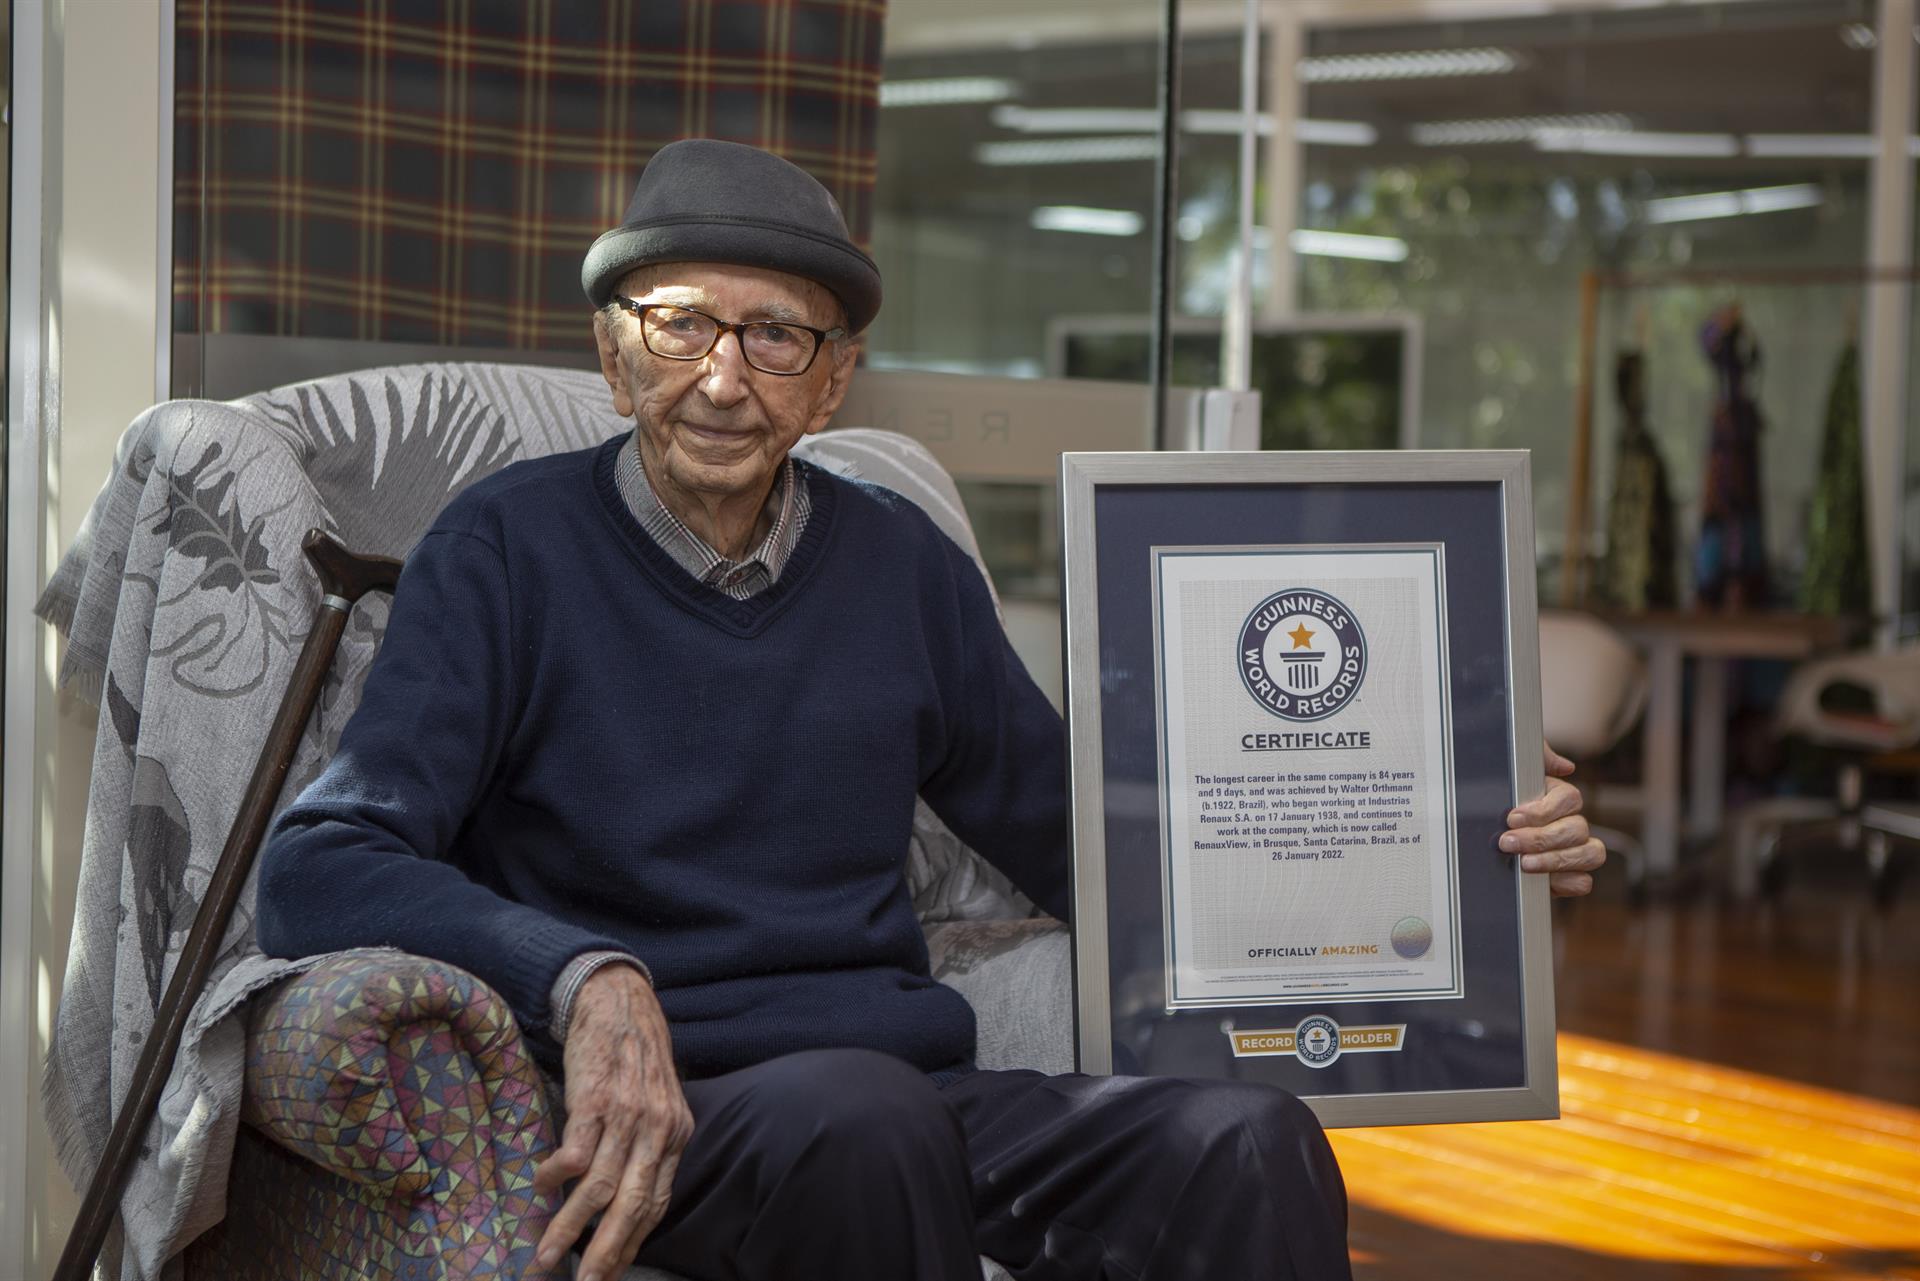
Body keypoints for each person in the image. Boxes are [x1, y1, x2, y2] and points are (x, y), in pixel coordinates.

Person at [258, 139, 1605, 1281]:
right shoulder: (503, 551)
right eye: (680, 325)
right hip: (687, 1116)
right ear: (616, 357)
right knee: (866, 1116)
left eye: (775, 333)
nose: (724, 376)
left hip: (909, 1094)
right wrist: (587, 972)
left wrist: (1441, 827)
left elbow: (1101, 840)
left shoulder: (901, 564)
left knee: (1253, 1138)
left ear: (833, 379)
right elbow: (321, 863)